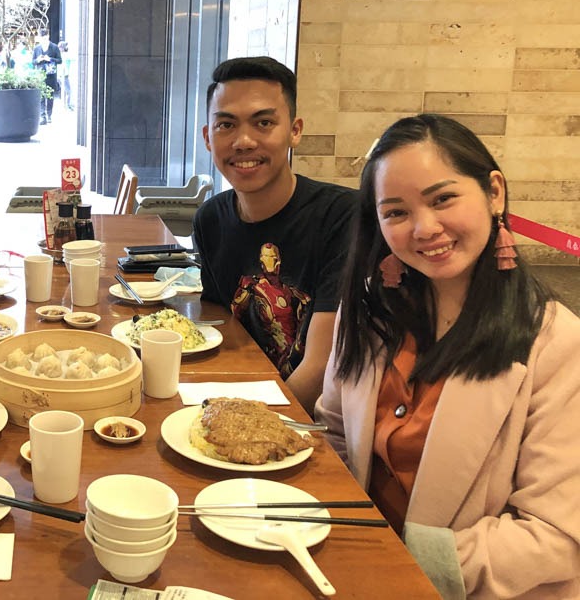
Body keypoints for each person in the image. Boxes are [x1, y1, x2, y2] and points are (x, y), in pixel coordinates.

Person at [315, 114, 580, 599]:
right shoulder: (373, 313)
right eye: (395, 213)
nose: (424, 227)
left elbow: (555, 535)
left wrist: (398, 564)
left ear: (494, 192)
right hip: (342, 570)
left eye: (442, 199)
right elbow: (333, 430)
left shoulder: (557, 344)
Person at [192, 56, 357, 413]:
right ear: (208, 137)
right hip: (244, 393)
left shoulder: (341, 216)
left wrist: (247, 425)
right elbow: (220, 325)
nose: (244, 141)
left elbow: (320, 365)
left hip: (313, 421)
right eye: (226, 125)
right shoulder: (210, 220)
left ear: (295, 130)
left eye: (264, 122)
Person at [32, 28, 62, 124]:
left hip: (51, 75)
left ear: (48, 36)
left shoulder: (54, 47)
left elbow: (60, 60)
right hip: (40, 76)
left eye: (44, 37)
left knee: (50, 96)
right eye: (41, 38)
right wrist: (38, 60)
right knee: (41, 96)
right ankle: (42, 116)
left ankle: (49, 115)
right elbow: (32, 62)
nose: (43, 40)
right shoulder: (37, 48)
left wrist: (50, 59)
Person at [59, 40, 74, 110]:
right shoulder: (64, 55)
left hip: (63, 76)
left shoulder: (60, 55)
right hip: (63, 76)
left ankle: (65, 106)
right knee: (68, 91)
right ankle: (67, 105)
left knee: (65, 91)